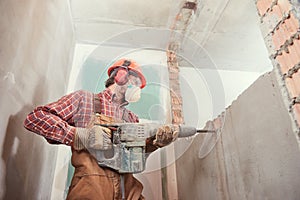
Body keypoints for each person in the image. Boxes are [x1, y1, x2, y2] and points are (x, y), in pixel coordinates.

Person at [24, 58, 178, 200]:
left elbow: (133, 161)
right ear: (121, 75)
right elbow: (36, 118)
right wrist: (81, 135)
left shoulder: (132, 118)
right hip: (92, 186)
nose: (138, 89)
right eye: (136, 82)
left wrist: (154, 143)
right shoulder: (85, 100)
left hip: (129, 190)